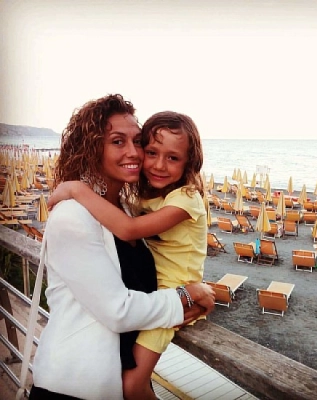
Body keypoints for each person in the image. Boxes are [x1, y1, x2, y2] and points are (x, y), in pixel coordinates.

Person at [29, 94, 215, 400]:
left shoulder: (127, 209)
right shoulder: (73, 216)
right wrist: (184, 296)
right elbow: (117, 310)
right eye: (117, 141)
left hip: (116, 378)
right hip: (74, 388)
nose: (134, 152)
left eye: (137, 141)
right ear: (91, 149)